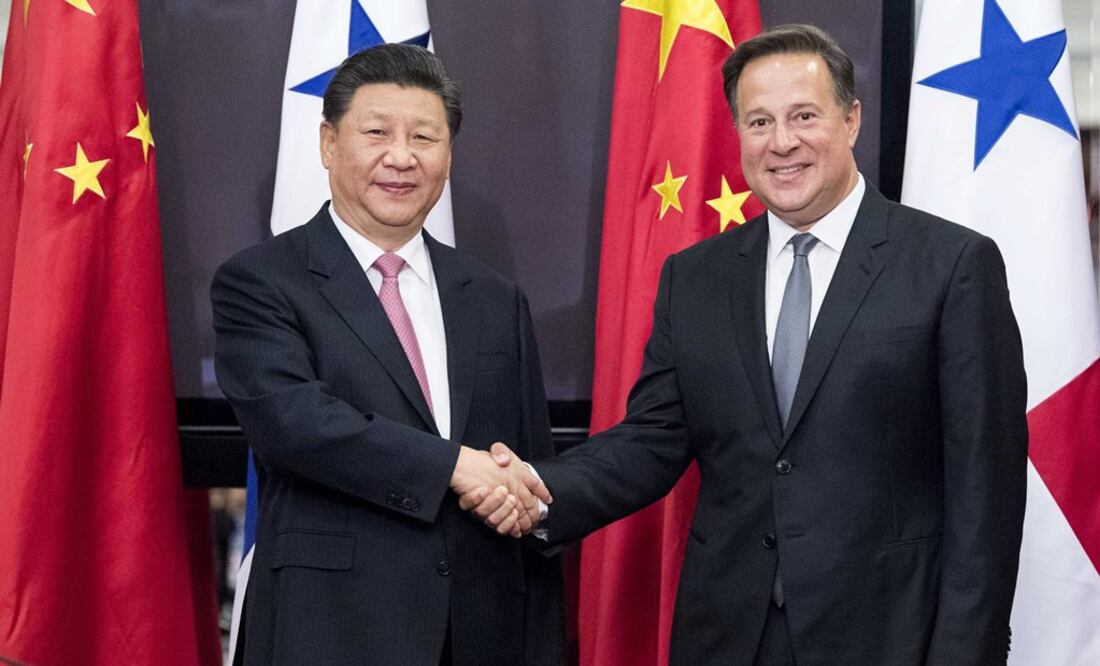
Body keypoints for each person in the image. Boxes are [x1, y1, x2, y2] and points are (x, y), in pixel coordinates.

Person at [463, 24, 1028, 666]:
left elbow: (987, 490)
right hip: (728, 635)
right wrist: (534, 486)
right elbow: (651, 441)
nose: (781, 142)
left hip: (892, 636)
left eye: (804, 116)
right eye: (758, 122)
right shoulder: (696, 278)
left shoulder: (951, 265)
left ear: (851, 120)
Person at [212, 44, 564, 665]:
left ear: (448, 155)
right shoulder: (261, 281)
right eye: (376, 132)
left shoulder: (494, 297)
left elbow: (527, 469)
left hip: (484, 632)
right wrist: (455, 465)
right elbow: (295, 426)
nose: (401, 157)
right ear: (327, 143)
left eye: (425, 137)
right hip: (330, 629)